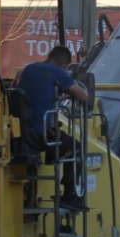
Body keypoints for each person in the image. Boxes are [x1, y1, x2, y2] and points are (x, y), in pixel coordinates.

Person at [14, 45, 90, 211]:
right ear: (62, 63)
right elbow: (84, 96)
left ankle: (52, 156)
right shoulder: (57, 72)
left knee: (58, 139)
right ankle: (69, 197)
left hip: (22, 132)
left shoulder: (28, 69)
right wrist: (69, 85)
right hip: (40, 133)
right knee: (77, 148)